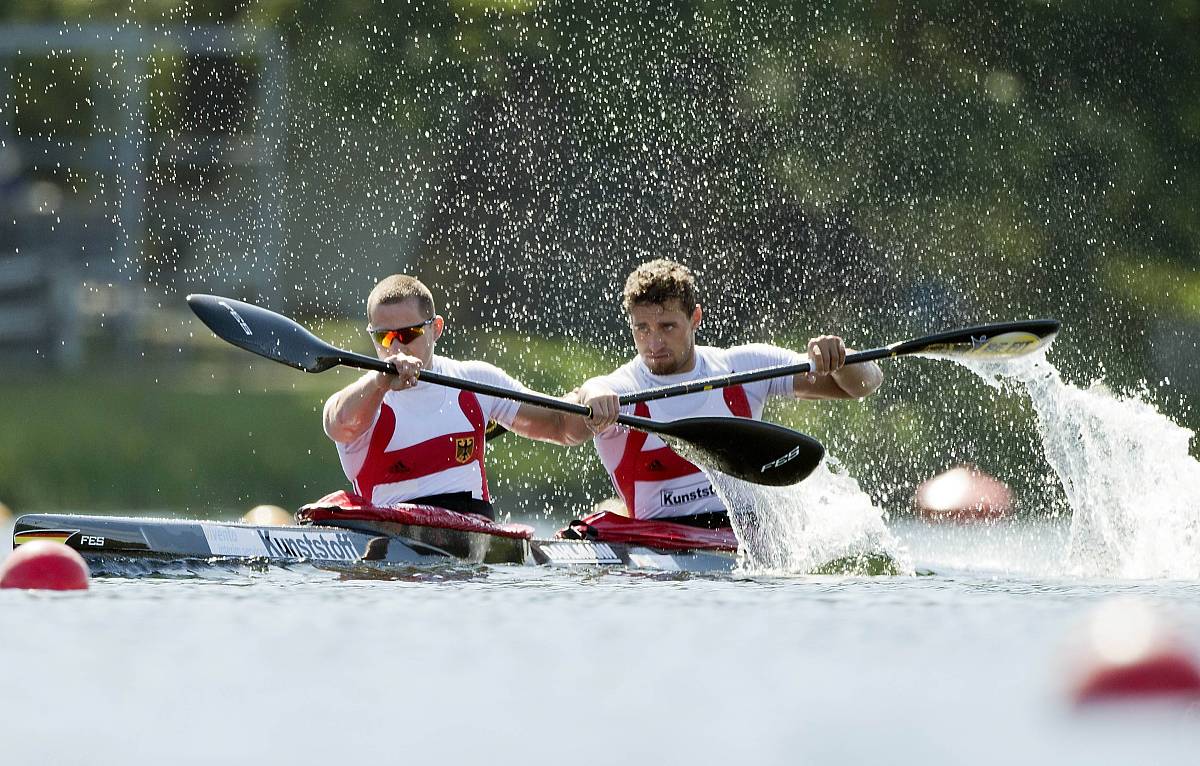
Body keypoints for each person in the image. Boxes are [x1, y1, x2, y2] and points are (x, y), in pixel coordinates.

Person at [568, 258, 884, 527]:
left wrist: (839, 358)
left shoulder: (743, 367)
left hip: (748, 534)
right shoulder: (624, 388)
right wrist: (592, 393)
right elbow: (583, 402)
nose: (654, 343)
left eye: (667, 327)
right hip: (658, 545)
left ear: (695, 318)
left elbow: (864, 384)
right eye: (642, 329)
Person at [323, 274, 616, 519]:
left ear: (436, 329)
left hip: (469, 551)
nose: (397, 348)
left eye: (409, 334)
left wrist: (592, 391)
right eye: (384, 337)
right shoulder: (363, 400)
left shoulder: (475, 381)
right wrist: (380, 382)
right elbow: (336, 424)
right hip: (391, 551)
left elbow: (561, 426)